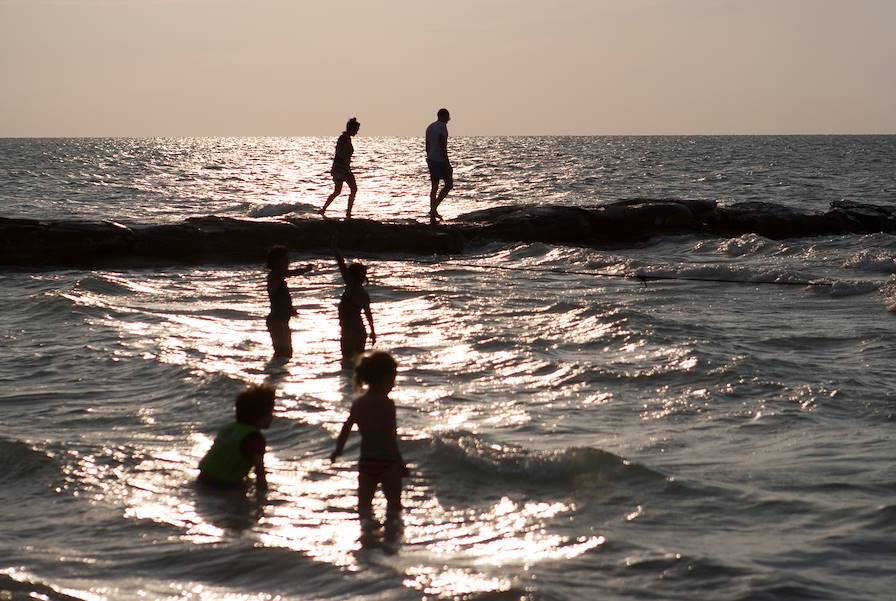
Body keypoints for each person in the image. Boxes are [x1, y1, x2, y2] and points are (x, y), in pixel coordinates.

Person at [330, 351, 408, 528]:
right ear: (382, 378)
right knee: (394, 507)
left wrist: (338, 449)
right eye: (392, 379)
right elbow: (390, 437)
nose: (393, 384)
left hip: (366, 463)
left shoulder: (359, 403)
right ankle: (392, 538)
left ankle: (368, 538)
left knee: (364, 507)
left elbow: (346, 427)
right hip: (388, 463)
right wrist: (400, 462)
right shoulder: (387, 404)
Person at [198, 384, 276, 493]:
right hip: (223, 485)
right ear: (259, 416)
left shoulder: (229, 428)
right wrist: (264, 498)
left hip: (203, 477)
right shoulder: (255, 439)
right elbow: (260, 475)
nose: (272, 417)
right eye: (270, 413)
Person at [265, 245, 312, 359]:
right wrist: (305, 269)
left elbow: (281, 299)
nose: (288, 262)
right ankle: (274, 374)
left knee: (285, 354)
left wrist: (290, 309)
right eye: (285, 259)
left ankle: (277, 374)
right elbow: (292, 273)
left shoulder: (278, 277)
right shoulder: (275, 274)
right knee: (283, 354)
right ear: (276, 261)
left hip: (281, 320)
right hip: (277, 321)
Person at [333, 245, 376, 364]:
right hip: (360, 331)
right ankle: (357, 382)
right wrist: (373, 332)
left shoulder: (352, 287)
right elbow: (368, 314)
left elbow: (342, 266)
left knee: (347, 363)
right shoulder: (363, 293)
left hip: (350, 332)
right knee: (357, 364)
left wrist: (335, 249)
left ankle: (348, 382)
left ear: (352, 276)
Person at [320, 117, 361, 219]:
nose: (357, 132)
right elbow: (341, 154)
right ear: (351, 129)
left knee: (337, 191)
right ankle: (348, 213)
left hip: (338, 168)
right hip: (342, 169)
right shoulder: (343, 139)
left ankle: (323, 209)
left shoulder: (345, 138)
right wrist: (346, 168)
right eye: (356, 130)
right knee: (353, 189)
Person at [425, 108, 453, 224]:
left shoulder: (430, 127)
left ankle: (433, 211)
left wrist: (429, 157)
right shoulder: (441, 126)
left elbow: (427, 144)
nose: (448, 120)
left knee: (434, 187)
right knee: (449, 185)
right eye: (448, 117)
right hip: (440, 161)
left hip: (431, 159)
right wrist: (447, 162)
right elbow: (442, 145)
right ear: (443, 116)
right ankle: (433, 209)